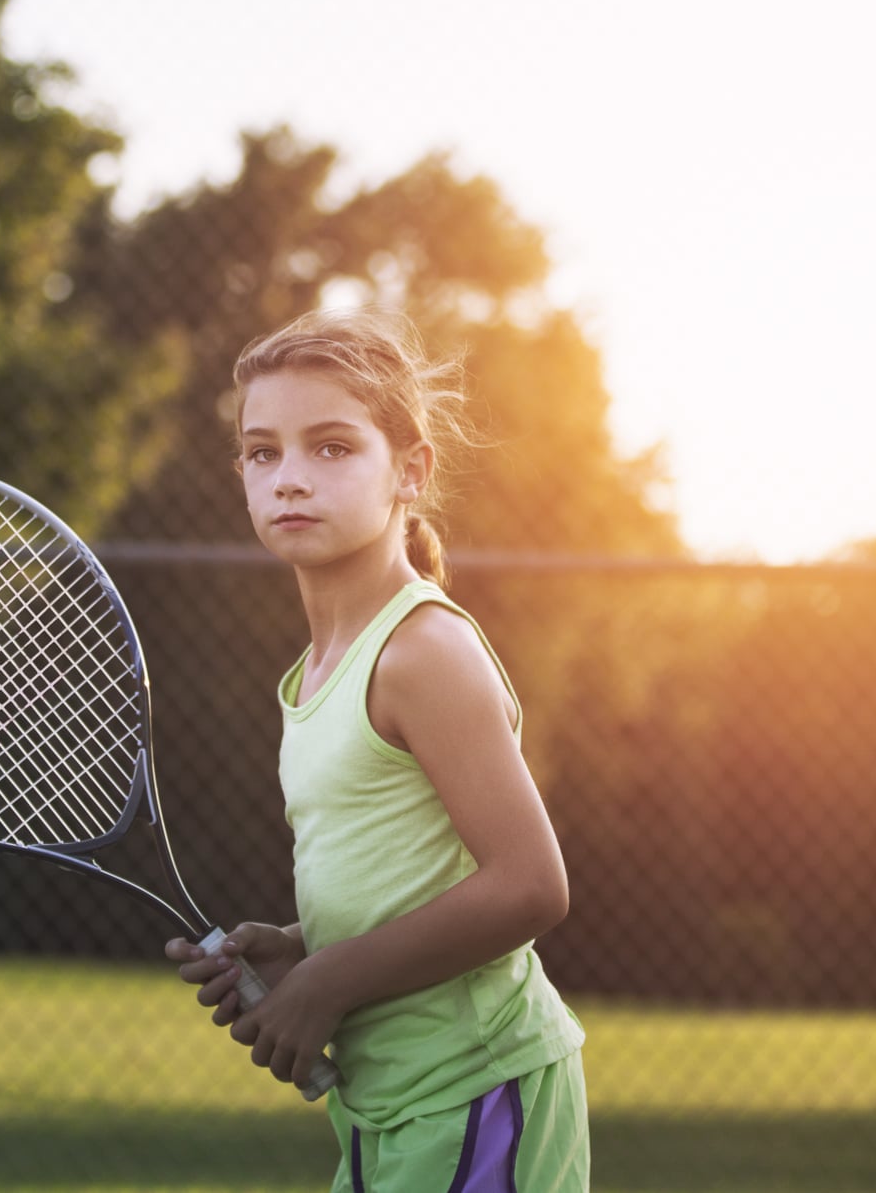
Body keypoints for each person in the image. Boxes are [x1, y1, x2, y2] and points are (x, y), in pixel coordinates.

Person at [165, 308, 589, 1192]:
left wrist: (333, 980)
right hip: (384, 1104)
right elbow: (408, 876)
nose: (289, 478)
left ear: (411, 470)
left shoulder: (421, 650)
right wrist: (298, 947)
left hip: (477, 1088)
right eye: (262, 451)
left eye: (331, 447)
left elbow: (529, 882)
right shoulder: (314, 672)